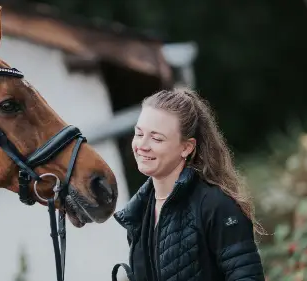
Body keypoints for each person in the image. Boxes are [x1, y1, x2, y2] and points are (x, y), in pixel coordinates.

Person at [112, 88, 265, 281]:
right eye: (139, 133)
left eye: (157, 138)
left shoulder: (216, 205)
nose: (142, 145)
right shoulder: (140, 212)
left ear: (186, 147)